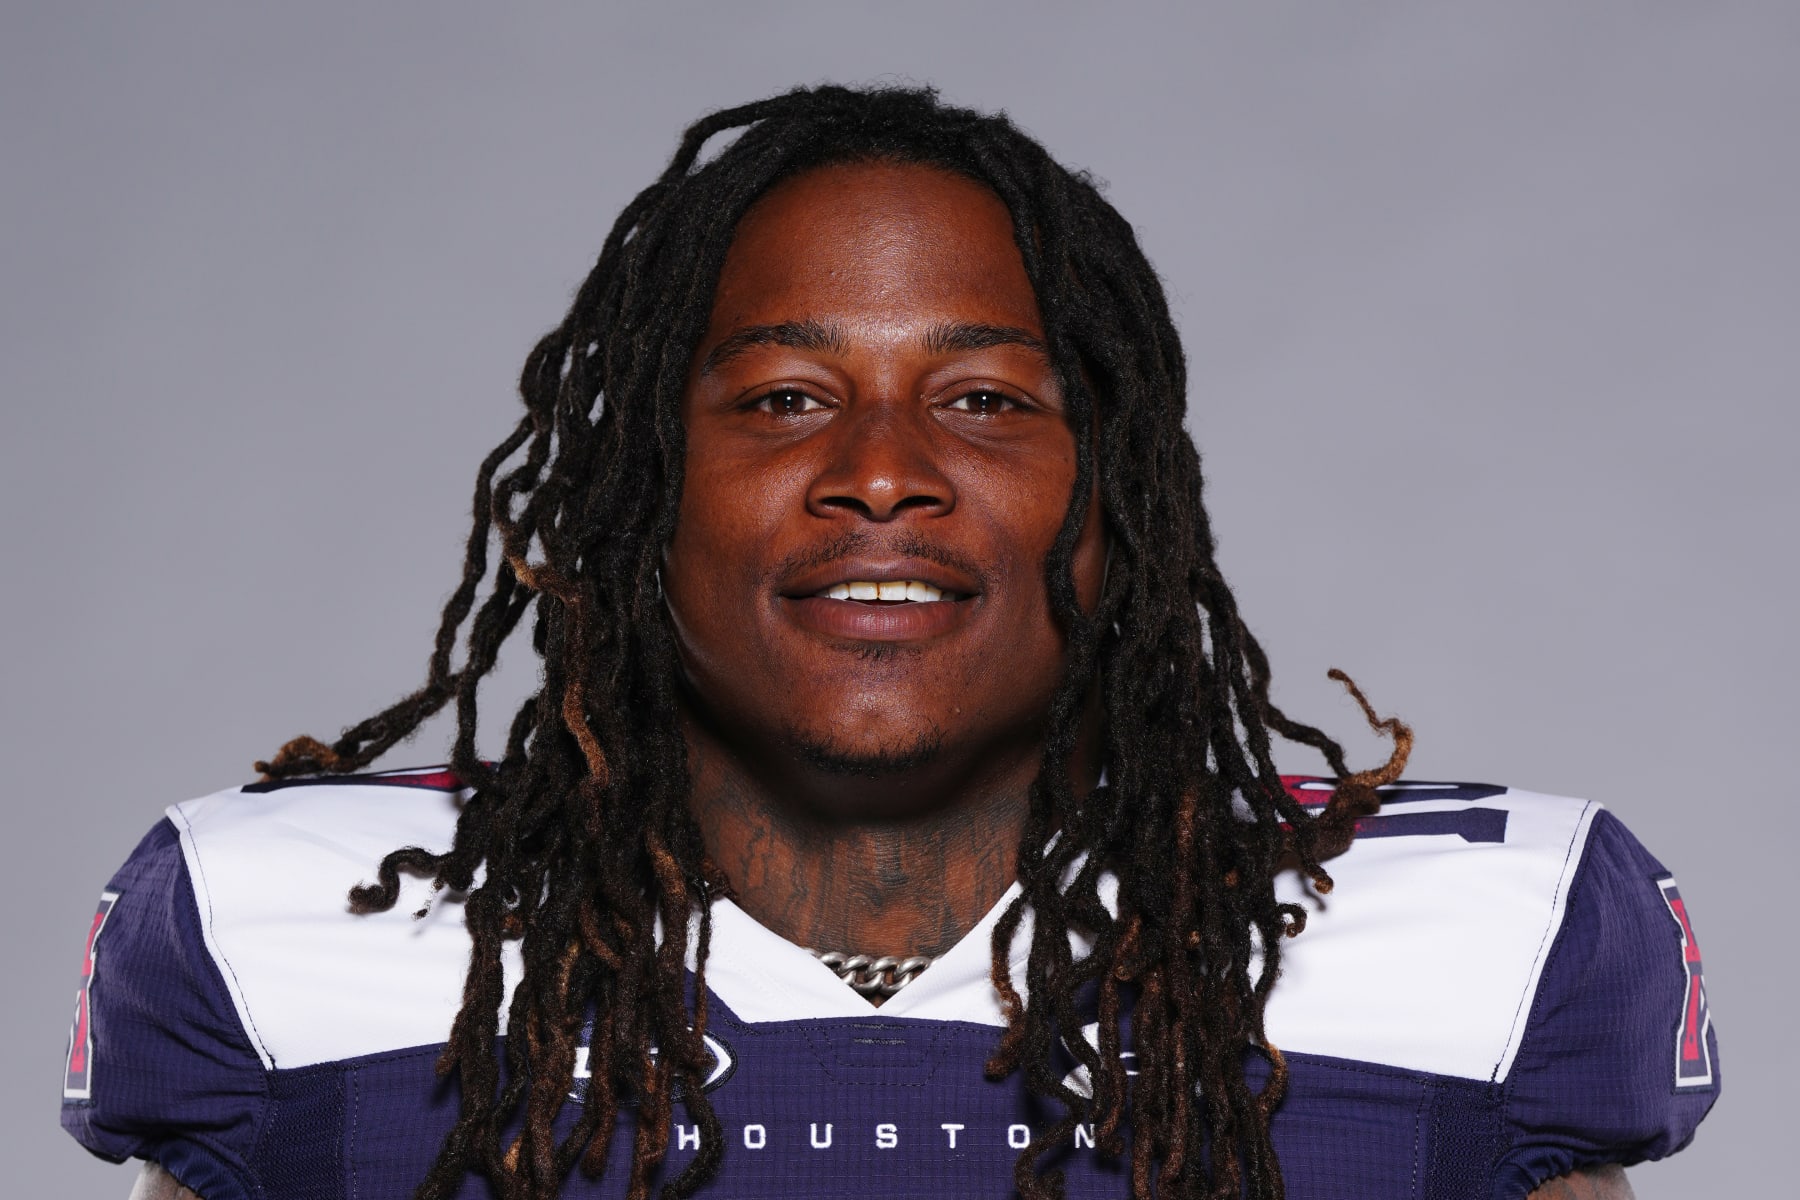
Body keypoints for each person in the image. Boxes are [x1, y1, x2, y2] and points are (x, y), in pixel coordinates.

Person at [61, 86, 1717, 1200]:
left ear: (1120, 498)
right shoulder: (272, 937)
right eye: (784, 400)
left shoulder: (1484, 949)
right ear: (643, 490)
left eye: (985, 401)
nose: (878, 473)